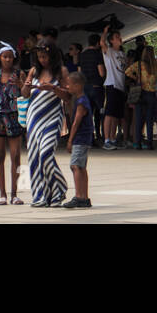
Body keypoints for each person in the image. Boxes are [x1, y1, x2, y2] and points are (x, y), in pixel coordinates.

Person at [21, 43, 68, 207]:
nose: (42, 60)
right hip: (34, 117)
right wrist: (26, 86)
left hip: (53, 117)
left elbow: (68, 96)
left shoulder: (61, 72)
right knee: (34, 156)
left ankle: (59, 188)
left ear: (53, 56)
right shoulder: (34, 71)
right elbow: (25, 94)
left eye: (45, 57)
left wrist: (53, 88)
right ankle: (41, 195)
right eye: (40, 57)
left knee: (46, 153)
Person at [0, 43, 25, 204]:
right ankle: (2, 194)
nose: (7, 59)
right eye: (4, 56)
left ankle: (15, 193)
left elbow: (25, 94)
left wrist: (21, 85)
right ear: (0, 58)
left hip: (14, 116)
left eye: (10, 56)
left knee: (16, 155)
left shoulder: (19, 73)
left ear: (14, 57)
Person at [61, 72, 93, 209]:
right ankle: (84, 197)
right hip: (85, 138)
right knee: (81, 167)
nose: (67, 86)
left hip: (80, 137)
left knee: (75, 166)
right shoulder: (80, 99)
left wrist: (70, 139)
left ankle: (79, 196)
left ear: (78, 85)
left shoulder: (81, 102)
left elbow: (76, 122)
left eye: (70, 84)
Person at [125, 44, 157, 149]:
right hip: (151, 94)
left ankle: (138, 143)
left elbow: (127, 72)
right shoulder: (156, 66)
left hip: (140, 93)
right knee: (149, 119)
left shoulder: (139, 64)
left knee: (138, 118)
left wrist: (136, 77)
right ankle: (150, 143)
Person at [101, 26, 128, 149]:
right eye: (117, 37)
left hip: (121, 86)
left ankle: (112, 138)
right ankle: (106, 139)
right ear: (111, 40)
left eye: (120, 37)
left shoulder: (122, 53)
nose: (120, 39)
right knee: (109, 113)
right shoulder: (109, 52)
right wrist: (105, 32)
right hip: (112, 84)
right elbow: (102, 43)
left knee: (116, 115)